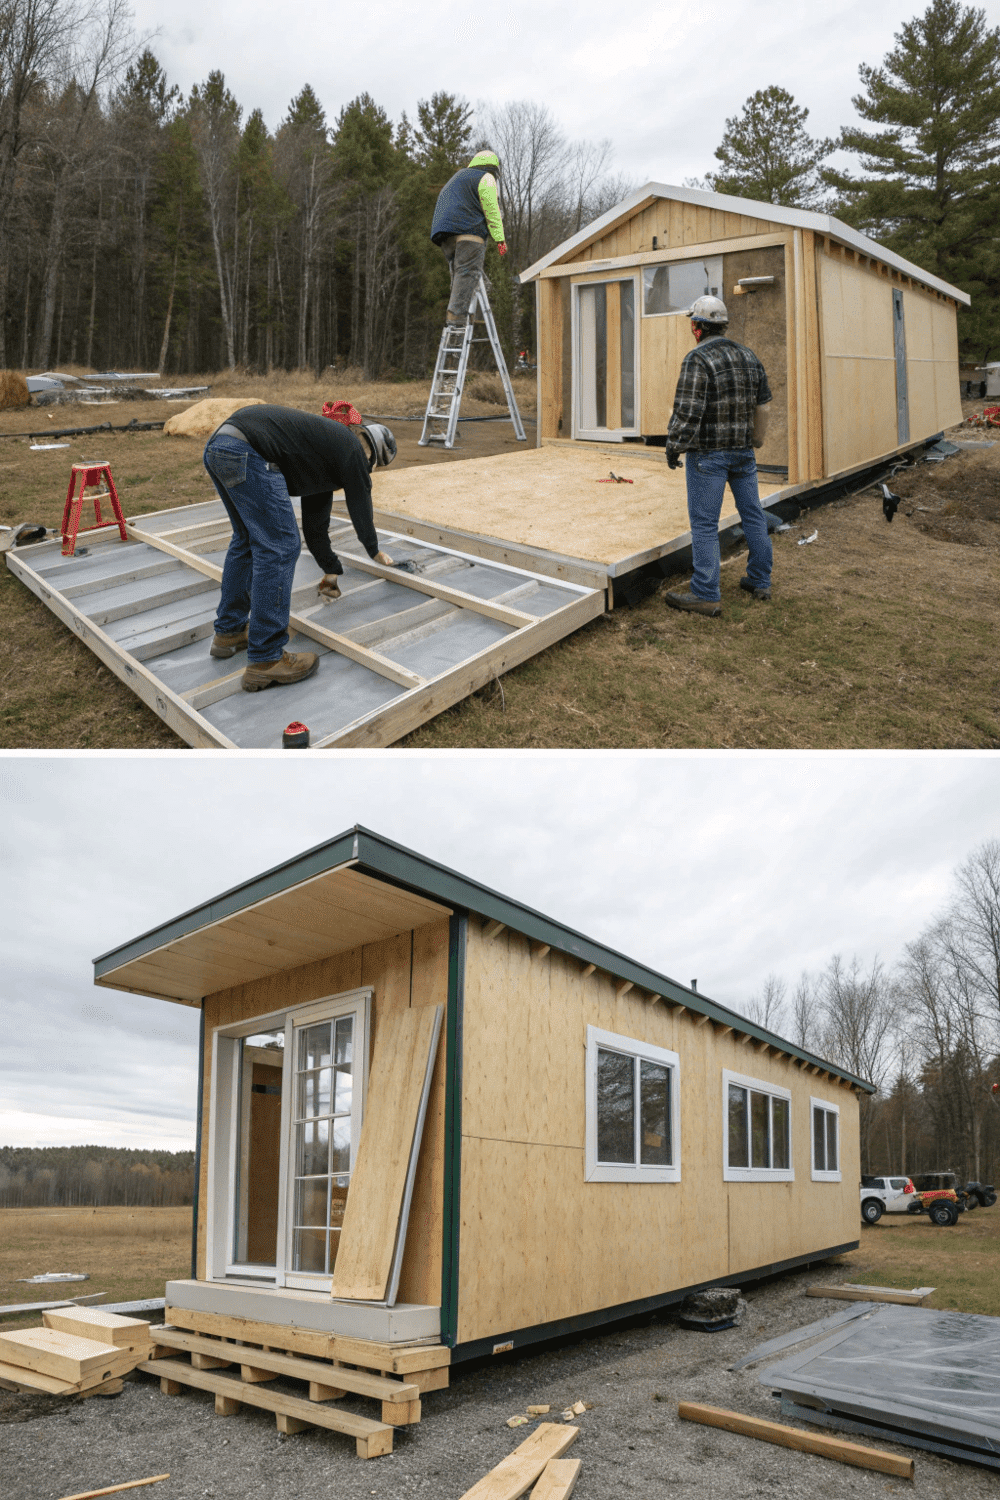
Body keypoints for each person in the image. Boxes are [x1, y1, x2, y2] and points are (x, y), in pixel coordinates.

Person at [202, 404, 397, 691]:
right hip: (249, 452)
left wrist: (331, 568)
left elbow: (315, 528)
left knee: (246, 540)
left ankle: (229, 632)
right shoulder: (352, 449)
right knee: (279, 546)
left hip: (221, 447)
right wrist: (374, 550)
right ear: (372, 453)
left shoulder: (324, 453)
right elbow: (360, 501)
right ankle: (266, 658)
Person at [663, 295, 773, 618]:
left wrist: (674, 446)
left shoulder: (697, 359)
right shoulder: (749, 356)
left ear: (698, 327)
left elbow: (688, 412)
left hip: (708, 456)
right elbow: (764, 405)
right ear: (722, 325)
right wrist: (755, 440)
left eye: (693, 324)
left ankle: (705, 593)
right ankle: (760, 580)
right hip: (743, 453)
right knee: (753, 514)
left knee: (705, 523)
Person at [430, 150, 507, 323]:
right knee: (468, 271)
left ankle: (469, 312)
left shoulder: (458, 178)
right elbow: (491, 209)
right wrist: (500, 239)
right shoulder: (485, 177)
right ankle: (457, 317)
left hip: (445, 235)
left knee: (461, 273)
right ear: (493, 169)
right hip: (469, 231)